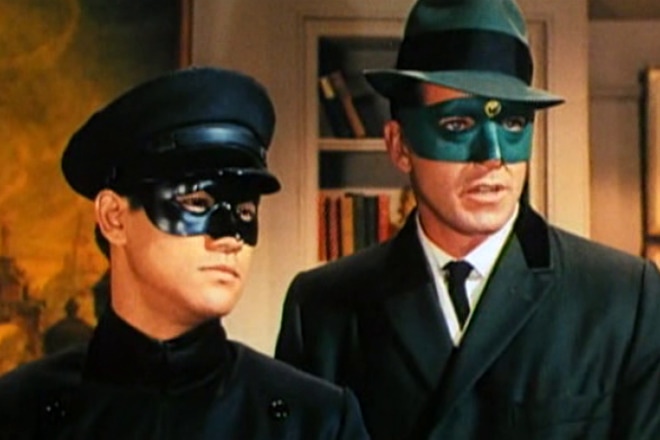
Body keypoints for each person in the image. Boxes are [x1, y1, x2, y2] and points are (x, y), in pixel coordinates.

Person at [275, 0, 660, 439]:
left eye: (513, 123)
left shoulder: (623, 299)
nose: (492, 156)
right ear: (400, 145)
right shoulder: (323, 310)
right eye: (458, 124)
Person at [0, 67, 369, 439]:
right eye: (196, 203)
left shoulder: (316, 422)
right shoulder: (17, 413)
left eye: (245, 212)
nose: (230, 237)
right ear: (114, 217)